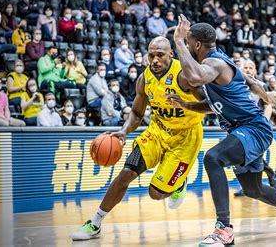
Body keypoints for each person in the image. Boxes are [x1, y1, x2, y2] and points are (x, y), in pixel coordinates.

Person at [172, 17, 276, 246]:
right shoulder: (222, 64)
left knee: (213, 158)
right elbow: (249, 83)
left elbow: (194, 76)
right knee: (252, 189)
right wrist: (186, 105)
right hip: (246, 131)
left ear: (196, 45)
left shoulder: (214, 64)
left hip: (253, 130)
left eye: (188, 42)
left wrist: (178, 41)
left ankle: (223, 228)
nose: (186, 45)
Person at [70, 37, 205, 241]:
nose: (155, 60)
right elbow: (136, 112)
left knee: (155, 193)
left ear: (171, 54)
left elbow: (209, 104)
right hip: (157, 131)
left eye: (160, 55)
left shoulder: (185, 75)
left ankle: (179, 182)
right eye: (151, 55)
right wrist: (124, 131)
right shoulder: (144, 79)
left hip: (185, 138)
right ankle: (95, 223)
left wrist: (185, 105)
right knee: (126, 173)